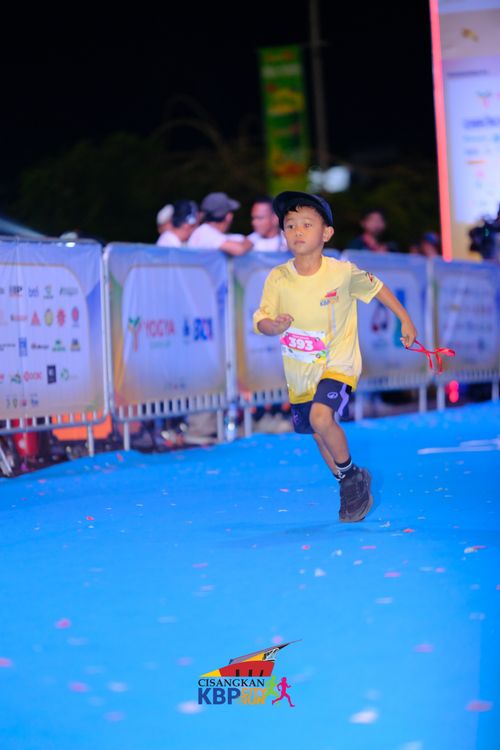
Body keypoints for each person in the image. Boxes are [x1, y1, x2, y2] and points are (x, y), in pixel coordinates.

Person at [253, 191, 417, 523]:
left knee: (321, 418)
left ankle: (351, 477)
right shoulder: (278, 277)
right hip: (300, 374)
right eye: (290, 225)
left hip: (338, 364)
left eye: (307, 224)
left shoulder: (342, 272)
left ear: (326, 233)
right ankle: (349, 478)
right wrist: (274, 326)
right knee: (318, 434)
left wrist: (405, 318)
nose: (298, 231)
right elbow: (262, 321)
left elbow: (377, 288)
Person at [188, 192, 253, 255]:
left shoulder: (208, 232)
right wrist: (246, 244)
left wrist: (246, 242)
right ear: (229, 216)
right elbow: (239, 249)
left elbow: (245, 240)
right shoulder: (205, 233)